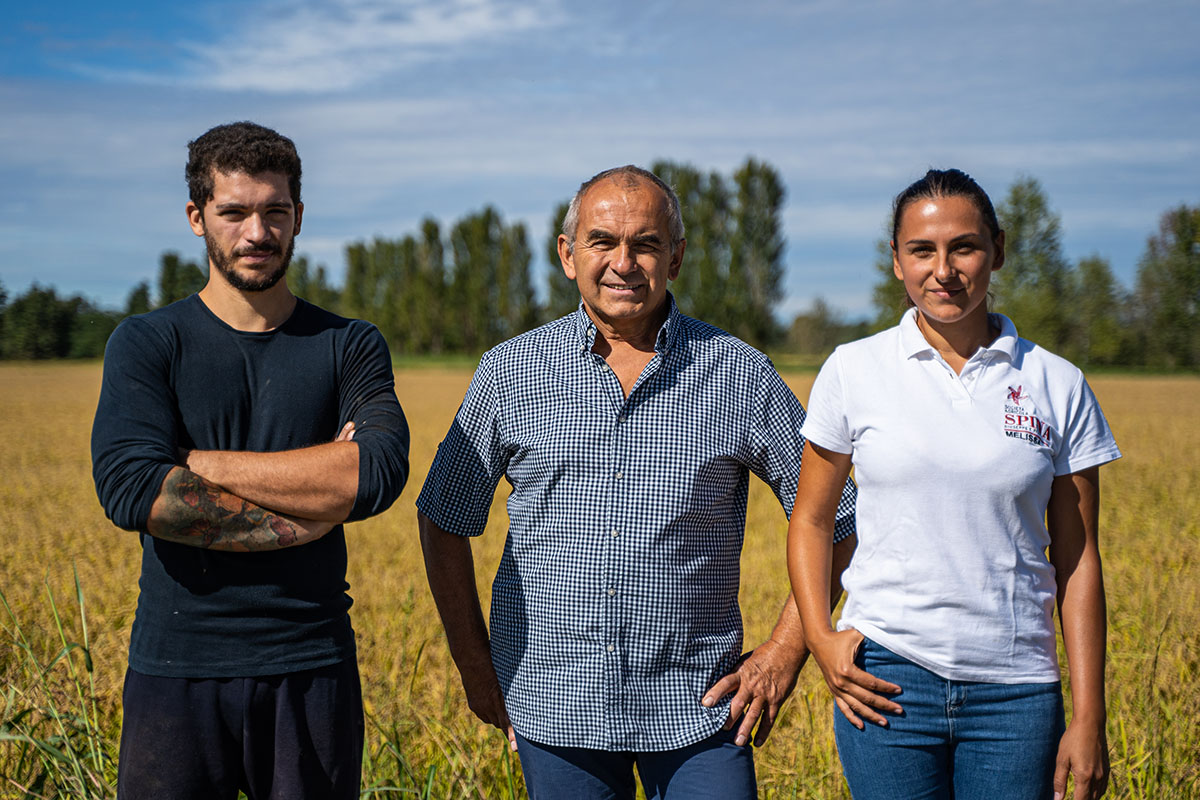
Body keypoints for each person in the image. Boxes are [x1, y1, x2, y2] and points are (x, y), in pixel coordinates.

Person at [415, 165, 858, 799]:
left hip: (702, 711)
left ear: (675, 258)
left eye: (646, 244)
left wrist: (787, 650)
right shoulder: (509, 372)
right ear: (568, 255)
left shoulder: (739, 373)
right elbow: (443, 518)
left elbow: (837, 517)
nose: (624, 262)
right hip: (550, 704)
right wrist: (474, 666)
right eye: (602, 241)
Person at [91, 121, 410, 800]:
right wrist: (314, 506)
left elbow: (375, 473)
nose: (256, 232)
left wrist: (194, 462)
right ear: (196, 217)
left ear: (298, 217)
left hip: (312, 668)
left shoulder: (348, 345)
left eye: (275, 211)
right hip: (175, 671)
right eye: (234, 212)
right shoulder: (147, 343)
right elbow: (134, 492)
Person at [787, 168, 1118, 800]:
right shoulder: (853, 370)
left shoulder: (1058, 383)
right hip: (884, 681)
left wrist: (1088, 717)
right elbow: (811, 520)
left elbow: (1078, 559)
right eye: (922, 250)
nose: (944, 270)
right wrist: (822, 642)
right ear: (896, 261)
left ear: (998, 250)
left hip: (1017, 691)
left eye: (964, 247)